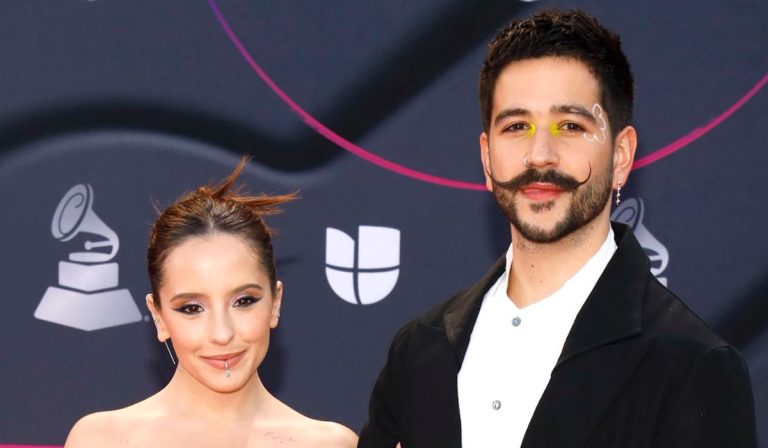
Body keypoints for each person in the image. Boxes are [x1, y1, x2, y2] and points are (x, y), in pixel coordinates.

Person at [358, 9, 756, 448]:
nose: (540, 154)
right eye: (517, 126)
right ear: (487, 159)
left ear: (621, 156)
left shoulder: (692, 367)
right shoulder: (418, 351)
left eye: (570, 126)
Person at [65, 158, 358, 447]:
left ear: (275, 302)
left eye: (243, 301)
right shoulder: (100, 440)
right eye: (192, 308)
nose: (221, 334)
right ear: (159, 316)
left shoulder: (332, 445)